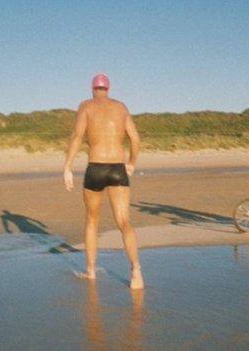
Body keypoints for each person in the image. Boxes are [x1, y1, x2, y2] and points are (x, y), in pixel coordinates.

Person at [63, 73, 144, 289]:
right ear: (108, 88)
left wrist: (67, 168)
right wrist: (132, 163)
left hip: (95, 168)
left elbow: (77, 136)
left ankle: (91, 271)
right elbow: (135, 140)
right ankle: (136, 270)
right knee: (124, 222)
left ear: (93, 89)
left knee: (92, 220)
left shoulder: (86, 106)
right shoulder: (121, 107)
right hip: (118, 168)